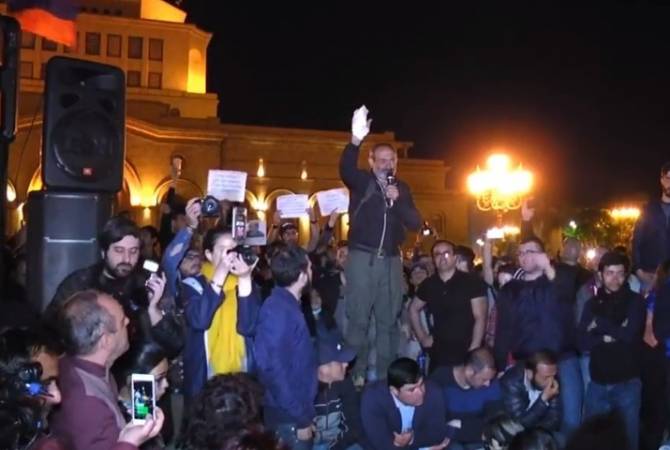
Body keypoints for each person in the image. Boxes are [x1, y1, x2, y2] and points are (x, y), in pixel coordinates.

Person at [340, 105, 421, 382]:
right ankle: (356, 375)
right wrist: (355, 140)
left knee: (388, 322)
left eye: (391, 160)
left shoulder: (403, 188)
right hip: (363, 259)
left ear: (396, 163)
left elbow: (414, 223)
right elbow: (345, 169)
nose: (387, 164)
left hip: (391, 261)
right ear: (372, 161)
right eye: (381, 159)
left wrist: (397, 200)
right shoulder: (362, 181)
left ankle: (388, 378)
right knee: (359, 320)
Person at [50, 290, 165, 450]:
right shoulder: (90, 406)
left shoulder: (73, 363)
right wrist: (131, 442)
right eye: (122, 321)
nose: (128, 321)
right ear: (105, 340)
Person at [181, 226, 261, 400]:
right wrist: (221, 273)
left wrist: (245, 278)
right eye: (224, 250)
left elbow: (248, 327)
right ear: (209, 255)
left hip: (242, 379)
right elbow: (200, 320)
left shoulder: (246, 285)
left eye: (233, 249)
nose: (230, 256)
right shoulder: (193, 284)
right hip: (205, 380)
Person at [254, 245, 318, 450]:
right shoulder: (278, 310)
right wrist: (301, 417)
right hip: (287, 416)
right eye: (309, 268)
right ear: (301, 276)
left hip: (294, 410)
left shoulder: (287, 305)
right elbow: (271, 368)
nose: (312, 272)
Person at [579, 251, 645, 450]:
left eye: (620, 273)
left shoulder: (635, 302)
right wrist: (608, 335)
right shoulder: (591, 304)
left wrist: (598, 324)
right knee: (592, 442)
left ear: (626, 275)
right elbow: (581, 341)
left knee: (628, 441)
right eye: (610, 273)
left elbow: (628, 336)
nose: (615, 278)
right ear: (600, 275)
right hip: (597, 383)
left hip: (627, 383)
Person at [410, 240, 488, 369]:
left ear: (455, 257)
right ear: (433, 259)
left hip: (466, 348)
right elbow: (413, 308)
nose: (442, 257)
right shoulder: (429, 284)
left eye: (446, 253)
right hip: (439, 350)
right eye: (438, 254)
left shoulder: (472, 282)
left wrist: (474, 348)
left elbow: (480, 317)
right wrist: (422, 337)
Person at [360, 358, 451, 450]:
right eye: (412, 390)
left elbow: (437, 434)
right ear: (394, 391)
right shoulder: (373, 398)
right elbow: (381, 444)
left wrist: (412, 439)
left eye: (421, 384)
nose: (420, 392)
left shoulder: (434, 392)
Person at [430, 347, 503, 450]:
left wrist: (458, 426)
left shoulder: (492, 385)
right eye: (484, 379)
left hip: (478, 440)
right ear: (469, 372)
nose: (487, 384)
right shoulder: (440, 379)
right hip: (448, 442)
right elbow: (434, 424)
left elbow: (495, 423)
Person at [115, 340, 171, 449]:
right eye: (159, 379)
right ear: (133, 381)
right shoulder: (119, 423)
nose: (166, 384)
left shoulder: (147, 408)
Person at [313, 332, 362, 450]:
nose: (346, 364)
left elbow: (354, 425)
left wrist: (335, 447)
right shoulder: (301, 388)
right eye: (341, 361)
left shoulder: (345, 382)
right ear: (324, 367)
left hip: (339, 444)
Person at [500, 351, 562, 438]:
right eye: (546, 377)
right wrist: (543, 399)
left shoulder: (552, 380)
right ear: (530, 374)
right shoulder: (511, 383)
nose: (550, 381)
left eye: (553, 376)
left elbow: (554, 419)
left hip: (541, 433)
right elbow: (519, 425)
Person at [632, 161, 670, 293]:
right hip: (650, 275)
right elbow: (637, 241)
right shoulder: (648, 210)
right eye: (668, 178)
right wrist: (639, 272)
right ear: (662, 180)